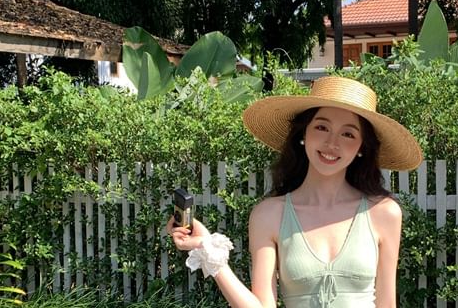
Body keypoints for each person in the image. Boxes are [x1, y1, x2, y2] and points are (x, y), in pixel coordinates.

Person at [167, 76, 423, 307]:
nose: (332, 143)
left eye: (348, 134)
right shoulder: (269, 215)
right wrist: (209, 251)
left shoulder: (384, 213)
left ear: (361, 147)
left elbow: (387, 304)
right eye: (321, 127)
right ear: (303, 134)